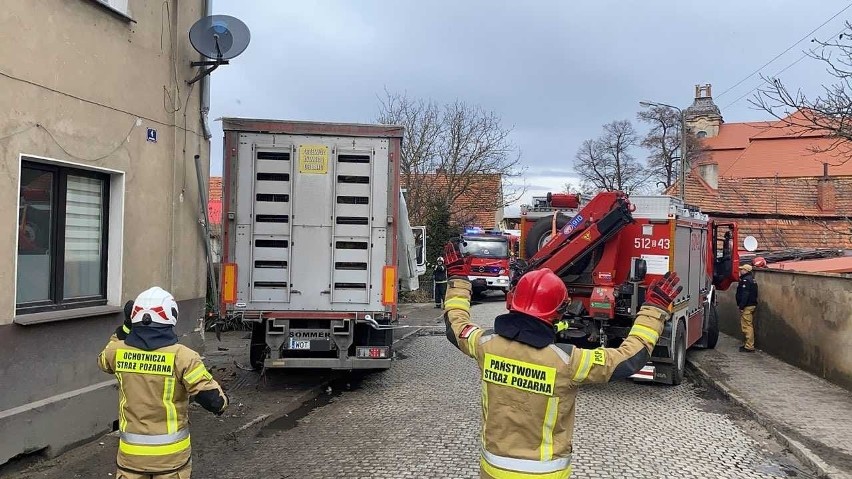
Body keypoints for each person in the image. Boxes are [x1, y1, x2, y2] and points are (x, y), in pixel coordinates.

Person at [443, 267, 681, 478]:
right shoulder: (569, 361)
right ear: (558, 313)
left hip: (493, 470)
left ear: (512, 300)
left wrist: (458, 280)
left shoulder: (485, 345)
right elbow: (629, 359)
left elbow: (456, 325)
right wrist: (653, 310)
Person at [98, 287, 229, 479]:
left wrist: (126, 328)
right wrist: (223, 401)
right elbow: (214, 401)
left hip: (131, 458)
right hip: (171, 460)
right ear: (171, 316)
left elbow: (103, 361)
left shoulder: (116, 352)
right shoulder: (183, 357)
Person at [736, 263, 759, 353]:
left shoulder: (746, 280)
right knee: (746, 324)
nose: (740, 271)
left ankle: (749, 346)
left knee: (747, 325)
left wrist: (742, 306)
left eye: (742, 269)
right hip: (750, 305)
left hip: (747, 306)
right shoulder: (752, 280)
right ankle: (747, 344)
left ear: (746, 271)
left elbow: (745, 294)